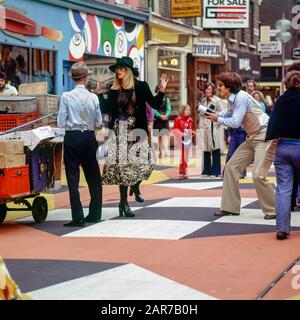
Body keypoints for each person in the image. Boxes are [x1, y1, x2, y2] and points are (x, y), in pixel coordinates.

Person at [99, 56, 168, 217]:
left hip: (138, 130)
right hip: (120, 131)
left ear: (128, 71)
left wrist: (162, 90)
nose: (118, 71)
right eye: (117, 69)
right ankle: (123, 203)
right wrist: (100, 95)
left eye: (122, 69)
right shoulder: (114, 89)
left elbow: (155, 104)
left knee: (147, 163)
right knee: (123, 168)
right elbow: (107, 109)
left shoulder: (141, 86)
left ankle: (135, 186)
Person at [206, 72, 275, 219]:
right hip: (252, 137)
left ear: (229, 87)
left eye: (221, 85)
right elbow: (230, 112)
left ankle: (273, 210)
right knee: (230, 168)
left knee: (258, 175)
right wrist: (218, 115)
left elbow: (235, 122)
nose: (219, 87)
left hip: (264, 136)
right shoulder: (233, 99)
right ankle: (230, 207)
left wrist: (217, 119)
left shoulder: (242, 97)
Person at [57, 62, 103, 227]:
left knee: (72, 177)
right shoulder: (94, 97)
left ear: (74, 78)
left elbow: (61, 122)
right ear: (85, 78)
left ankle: (78, 217)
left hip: (72, 137)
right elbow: (99, 122)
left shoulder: (66, 96)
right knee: (93, 176)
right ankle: (95, 214)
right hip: (89, 137)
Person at [265, 71, 300, 240]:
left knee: (283, 190)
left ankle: (282, 229)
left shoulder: (280, 101)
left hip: (283, 147)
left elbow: (273, 123)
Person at [198, 82, 223, 178]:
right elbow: (201, 115)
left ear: (213, 90)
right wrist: (201, 125)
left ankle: (215, 171)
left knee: (215, 148)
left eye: (209, 89)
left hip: (214, 128)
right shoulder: (203, 101)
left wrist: (216, 125)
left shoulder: (217, 101)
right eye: (206, 89)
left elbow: (221, 114)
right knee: (206, 148)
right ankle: (206, 170)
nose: (207, 91)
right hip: (204, 128)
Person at [173, 104, 195, 179]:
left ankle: (183, 169)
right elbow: (175, 129)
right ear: (182, 110)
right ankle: (183, 170)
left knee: (186, 154)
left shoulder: (190, 120)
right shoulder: (178, 119)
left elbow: (192, 129)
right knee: (183, 154)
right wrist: (180, 134)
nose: (188, 111)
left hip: (187, 139)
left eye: (189, 110)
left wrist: (193, 132)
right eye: (186, 110)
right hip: (180, 139)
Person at [153, 86, 171, 158]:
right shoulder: (154, 99)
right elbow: (153, 110)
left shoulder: (167, 100)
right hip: (157, 120)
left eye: (161, 90)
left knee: (165, 136)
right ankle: (159, 153)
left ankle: (166, 152)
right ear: (156, 91)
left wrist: (166, 115)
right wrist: (160, 116)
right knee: (157, 137)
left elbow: (169, 109)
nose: (160, 92)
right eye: (158, 91)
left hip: (165, 120)